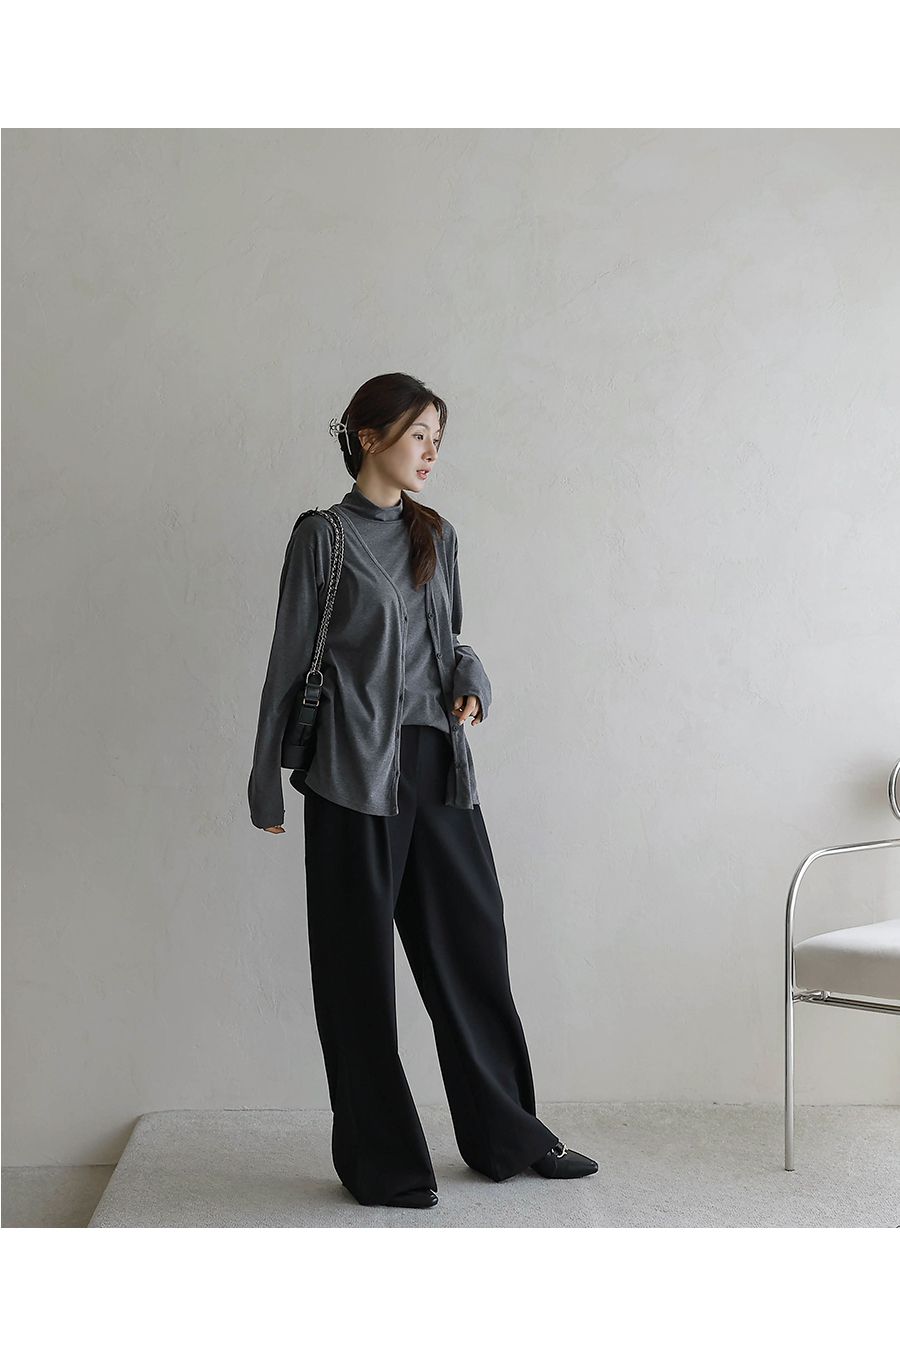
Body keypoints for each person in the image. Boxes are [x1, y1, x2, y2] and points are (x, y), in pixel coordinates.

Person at [248, 371, 598, 1209]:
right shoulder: (324, 538)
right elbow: (288, 659)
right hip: (351, 776)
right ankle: (384, 1162)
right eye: (418, 435)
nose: (431, 451)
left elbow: (449, 640)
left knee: (473, 952)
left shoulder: (435, 532)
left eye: (439, 438)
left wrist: (473, 676)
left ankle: (509, 1136)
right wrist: (265, 783)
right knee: (358, 976)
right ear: (369, 437)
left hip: (439, 768)